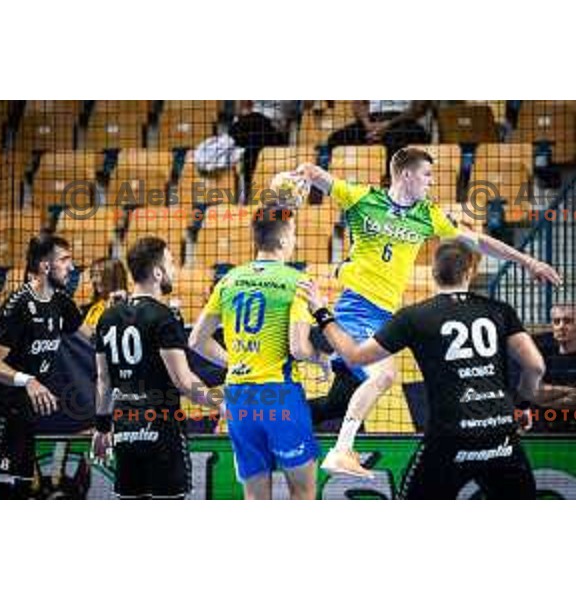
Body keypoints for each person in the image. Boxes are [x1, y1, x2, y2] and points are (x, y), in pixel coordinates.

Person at [296, 147, 561, 477]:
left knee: (337, 402)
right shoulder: (362, 198)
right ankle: (342, 449)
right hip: (357, 306)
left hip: (383, 313)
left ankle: (271, 425)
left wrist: (528, 261)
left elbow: (477, 241)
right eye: (427, 175)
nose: (432, 182)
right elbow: (320, 175)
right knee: (385, 375)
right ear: (406, 175)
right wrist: (303, 173)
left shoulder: (427, 215)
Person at [299, 240, 544, 499]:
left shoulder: (415, 316)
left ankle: (336, 445)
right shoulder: (500, 311)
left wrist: (321, 312)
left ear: (433, 273)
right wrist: (524, 405)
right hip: (501, 437)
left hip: (450, 438)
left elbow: (355, 356)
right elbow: (535, 366)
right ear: (470, 272)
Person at [189, 206, 325, 500]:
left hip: (239, 398)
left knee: (255, 497)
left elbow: (196, 340)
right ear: (285, 239)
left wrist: (236, 361)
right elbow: (299, 348)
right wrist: (322, 358)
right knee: (303, 493)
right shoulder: (297, 281)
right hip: (280, 395)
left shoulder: (228, 280)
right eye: (295, 234)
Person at [91, 236, 214, 499]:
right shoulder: (163, 317)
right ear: (157, 272)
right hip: (161, 432)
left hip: (124, 431)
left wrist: (102, 427)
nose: (174, 269)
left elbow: (103, 379)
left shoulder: (108, 316)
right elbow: (183, 382)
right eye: (170, 262)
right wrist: (222, 402)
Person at [0, 234, 87, 499]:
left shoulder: (60, 301)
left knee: (23, 492)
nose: (71, 267)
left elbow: (93, 335)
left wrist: (119, 316)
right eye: (64, 260)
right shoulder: (18, 306)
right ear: (44, 266)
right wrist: (28, 380)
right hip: (1, 414)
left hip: (26, 416)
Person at [81, 258, 129, 329]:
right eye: (92, 275)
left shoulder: (127, 308)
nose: (93, 280)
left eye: (97, 275)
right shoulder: (89, 309)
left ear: (112, 277)